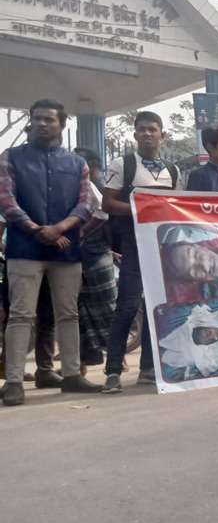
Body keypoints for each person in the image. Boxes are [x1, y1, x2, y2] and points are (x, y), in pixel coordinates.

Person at [0, 99, 103, 405]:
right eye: (37, 119)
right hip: (24, 248)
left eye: (49, 119)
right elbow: (6, 200)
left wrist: (59, 228)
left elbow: (86, 204)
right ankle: (14, 381)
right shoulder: (11, 157)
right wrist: (37, 229)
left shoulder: (77, 164)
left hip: (65, 250)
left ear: (62, 124)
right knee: (21, 315)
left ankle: (71, 375)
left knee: (68, 314)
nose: (42, 124)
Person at [101, 111, 182, 393]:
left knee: (157, 304)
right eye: (142, 129)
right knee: (127, 305)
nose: (148, 133)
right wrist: (144, 209)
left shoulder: (173, 170)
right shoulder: (122, 163)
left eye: (153, 129)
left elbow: (176, 207)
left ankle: (148, 367)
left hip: (162, 245)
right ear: (134, 134)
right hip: (133, 246)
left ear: (163, 134)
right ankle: (112, 370)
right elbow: (108, 204)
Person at [73, 147, 117, 372]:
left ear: (89, 165)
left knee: (106, 306)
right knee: (82, 308)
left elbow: (105, 215)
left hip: (98, 252)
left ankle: (117, 357)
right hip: (81, 253)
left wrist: (81, 233)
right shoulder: (79, 185)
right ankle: (86, 359)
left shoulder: (99, 187)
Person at [161, 230, 218, 304]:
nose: (204, 264)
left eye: (195, 255)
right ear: (196, 281)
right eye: (194, 271)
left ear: (201, 247)